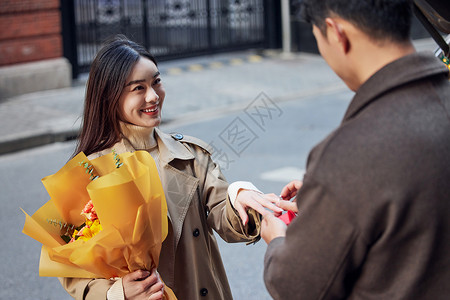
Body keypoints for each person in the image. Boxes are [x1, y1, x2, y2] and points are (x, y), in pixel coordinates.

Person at [59, 34, 282, 300]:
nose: (153, 96)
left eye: (156, 82)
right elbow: (72, 269)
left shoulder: (191, 156)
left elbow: (223, 214)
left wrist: (239, 197)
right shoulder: (90, 173)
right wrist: (117, 294)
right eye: (138, 88)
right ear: (110, 96)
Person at [261, 0, 450, 299]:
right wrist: (328, 200)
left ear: (336, 33)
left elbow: (297, 285)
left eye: (318, 37)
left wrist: (276, 242)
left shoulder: (349, 154)